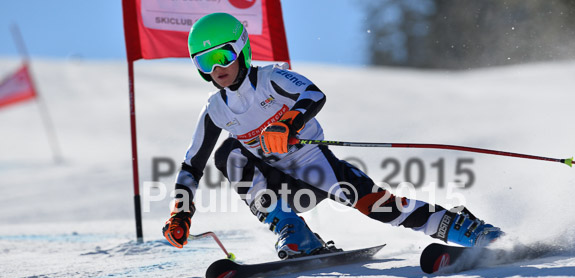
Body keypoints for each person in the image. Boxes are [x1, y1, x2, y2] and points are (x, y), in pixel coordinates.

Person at [162, 13, 502, 258]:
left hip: (315, 169)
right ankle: (294, 233)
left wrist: (288, 124)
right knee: (228, 154)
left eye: (222, 56)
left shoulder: (271, 79)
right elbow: (192, 165)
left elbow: (313, 95)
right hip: (282, 189)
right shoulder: (215, 109)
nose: (217, 69)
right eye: (204, 63)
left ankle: (463, 227)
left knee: (377, 205)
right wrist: (182, 213)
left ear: (242, 50)